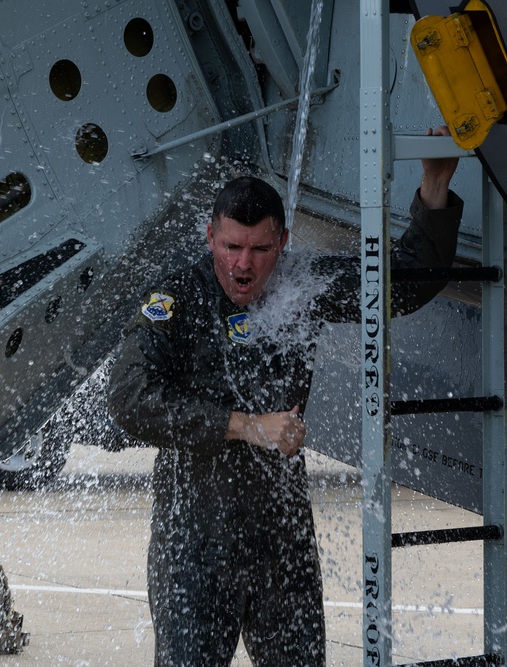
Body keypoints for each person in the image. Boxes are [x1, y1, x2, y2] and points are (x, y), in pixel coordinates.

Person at [107, 128, 463, 667]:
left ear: (284, 241)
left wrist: (434, 185)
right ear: (210, 238)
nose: (243, 266)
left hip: (282, 542)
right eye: (231, 247)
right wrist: (246, 425)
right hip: (195, 544)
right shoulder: (176, 298)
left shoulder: (303, 285)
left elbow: (405, 283)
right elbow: (131, 399)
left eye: (259, 249)